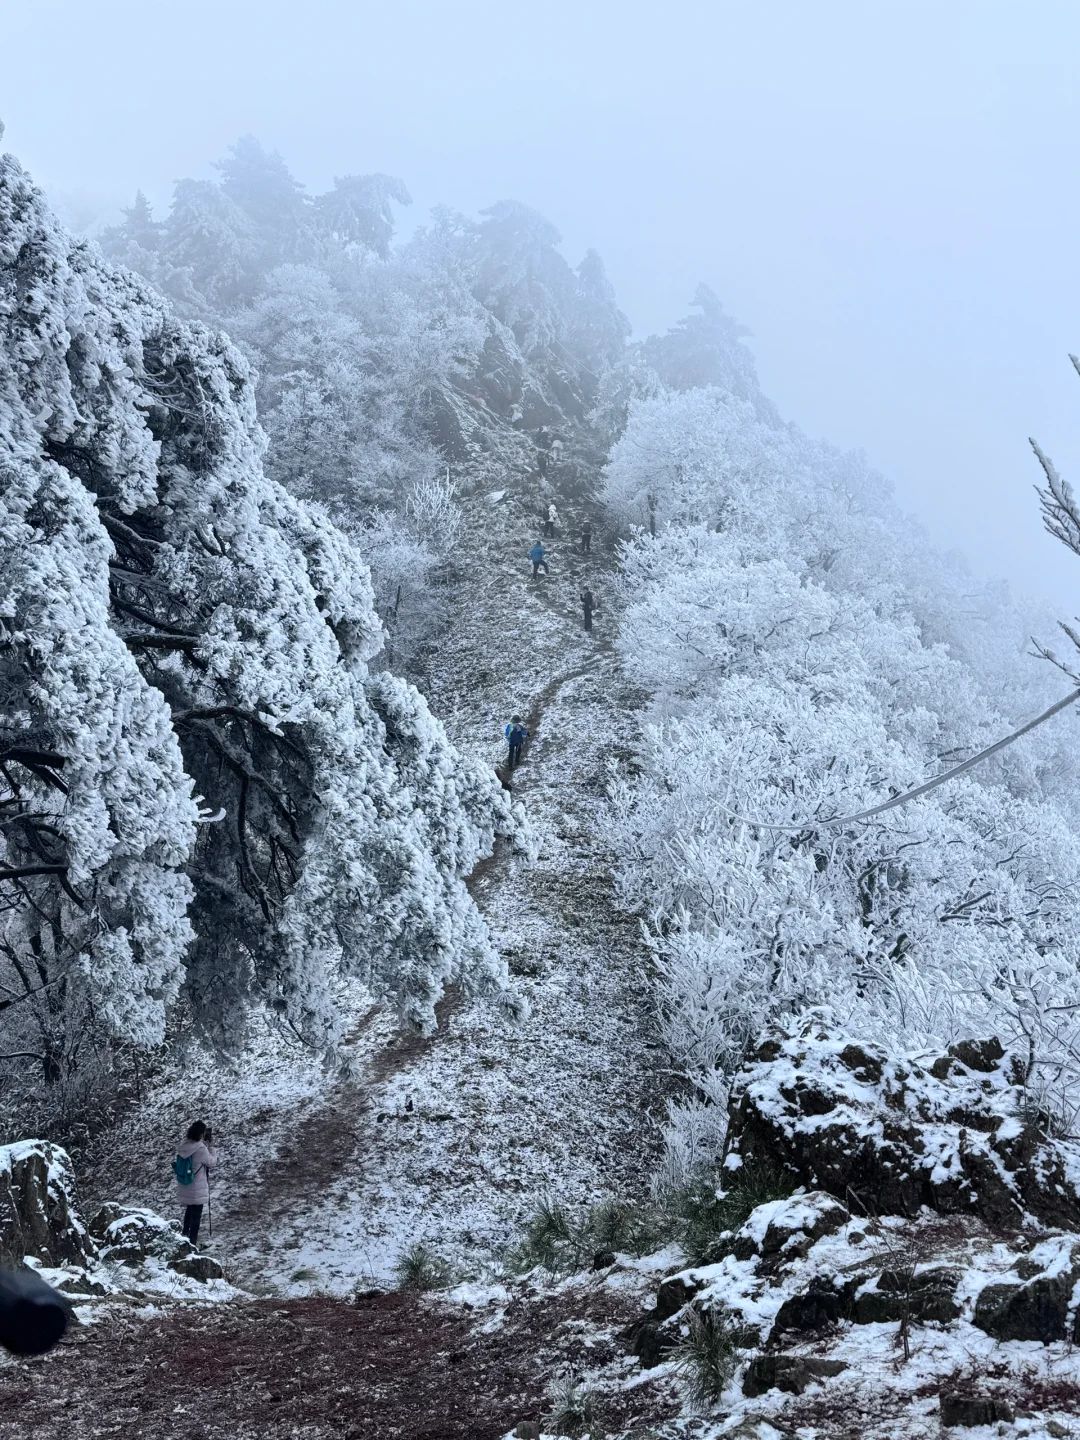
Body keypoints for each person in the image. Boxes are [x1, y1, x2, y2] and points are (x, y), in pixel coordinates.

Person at [173, 1120, 217, 1245]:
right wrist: (212, 1149)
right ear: (201, 1134)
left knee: (189, 1211)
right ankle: (192, 1243)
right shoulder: (201, 1148)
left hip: (186, 1183)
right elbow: (211, 1162)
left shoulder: (184, 1145)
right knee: (196, 1215)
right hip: (197, 1185)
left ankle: (184, 1237)